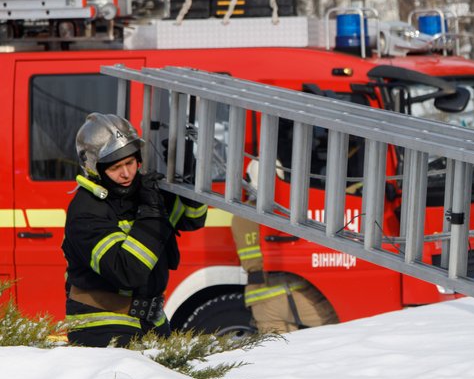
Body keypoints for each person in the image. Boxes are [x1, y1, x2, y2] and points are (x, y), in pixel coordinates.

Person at [63, 113, 207, 347]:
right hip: (102, 323)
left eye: (130, 163)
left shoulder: (144, 191)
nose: (126, 174)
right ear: (94, 168)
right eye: (116, 167)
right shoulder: (86, 211)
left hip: (151, 319)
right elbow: (127, 272)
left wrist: (189, 177)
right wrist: (152, 213)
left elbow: (193, 219)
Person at [229, 160, 339, 333]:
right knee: (338, 329)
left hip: (260, 297)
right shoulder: (284, 211)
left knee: (278, 348)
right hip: (295, 291)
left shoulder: (238, 217)